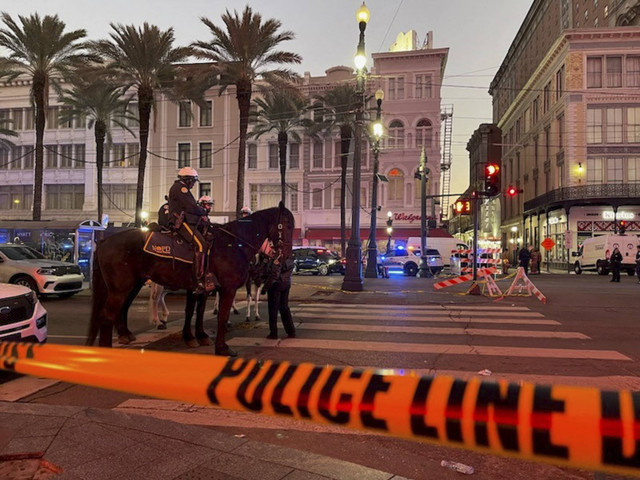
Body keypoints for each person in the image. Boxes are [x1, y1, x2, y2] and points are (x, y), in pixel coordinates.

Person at [168, 167, 215, 294]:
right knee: (201, 245)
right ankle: (198, 279)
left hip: (185, 220)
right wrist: (203, 212)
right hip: (180, 222)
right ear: (188, 180)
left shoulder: (182, 189)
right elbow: (191, 207)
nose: (194, 184)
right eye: (193, 181)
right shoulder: (180, 189)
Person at [266, 250, 296, 340]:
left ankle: (273, 333)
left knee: (273, 309)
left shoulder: (277, 259)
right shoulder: (289, 258)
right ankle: (291, 331)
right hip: (286, 284)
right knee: (284, 307)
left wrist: (274, 265)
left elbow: (274, 274)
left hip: (275, 285)